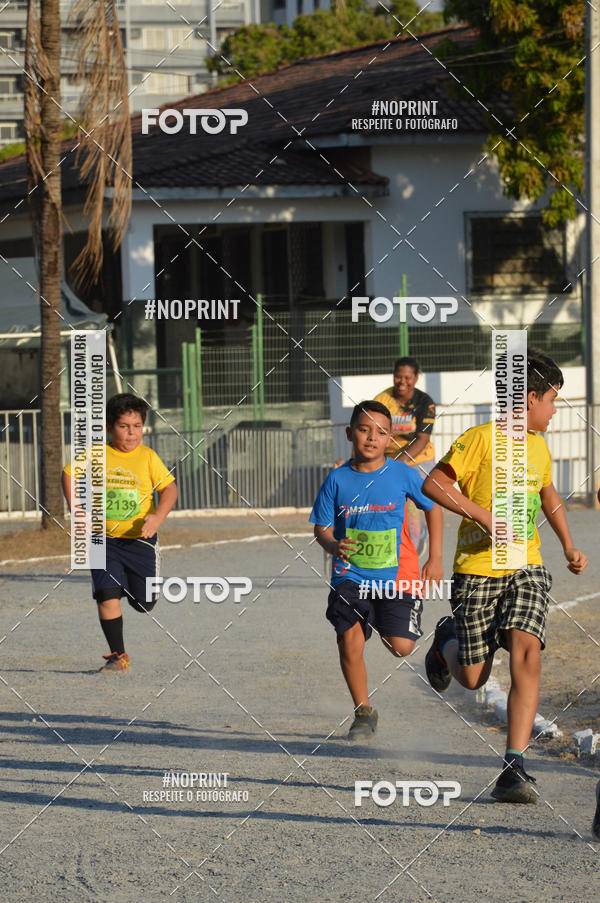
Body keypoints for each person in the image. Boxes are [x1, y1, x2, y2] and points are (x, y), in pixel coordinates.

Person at [422, 349, 587, 802]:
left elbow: (548, 494)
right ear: (530, 397)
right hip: (476, 570)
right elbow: (433, 484)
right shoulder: (480, 439)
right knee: (472, 678)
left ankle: (514, 766)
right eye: (552, 400)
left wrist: (568, 543)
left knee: (526, 646)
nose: (555, 411)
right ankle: (446, 641)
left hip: (526, 565)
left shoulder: (538, 445)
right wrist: (480, 515)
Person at [311, 400, 443, 740]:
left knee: (401, 647)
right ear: (349, 433)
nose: (372, 438)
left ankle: (439, 638)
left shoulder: (403, 474)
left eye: (381, 432)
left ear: (390, 439)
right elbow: (321, 528)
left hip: (398, 576)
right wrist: (332, 545)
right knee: (348, 638)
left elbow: (435, 508)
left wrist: (436, 557)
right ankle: (363, 711)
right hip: (350, 574)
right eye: (364, 429)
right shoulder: (337, 479)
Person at [63, 393, 178, 672]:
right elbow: (68, 474)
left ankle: (134, 585)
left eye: (137, 426)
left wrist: (157, 517)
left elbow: (170, 489)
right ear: (110, 427)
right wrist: (78, 510)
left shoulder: (148, 457)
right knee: (106, 594)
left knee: (144, 602)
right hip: (103, 540)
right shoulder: (97, 455)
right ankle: (118, 656)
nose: (131, 433)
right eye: (124, 426)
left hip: (140, 541)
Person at [374, 357, 436, 555]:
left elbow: (422, 439)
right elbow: (371, 433)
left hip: (419, 459)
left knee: (412, 511)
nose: (402, 382)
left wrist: (399, 465)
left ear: (416, 378)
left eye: (407, 378)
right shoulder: (381, 401)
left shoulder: (425, 402)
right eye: (398, 377)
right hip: (388, 460)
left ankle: (411, 553)